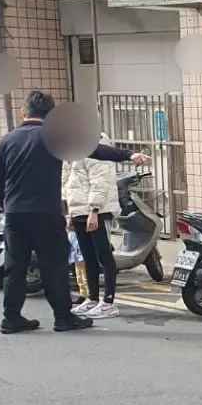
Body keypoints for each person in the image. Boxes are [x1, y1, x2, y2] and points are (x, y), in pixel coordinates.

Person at [0, 91, 150, 334]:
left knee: (15, 268)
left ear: (23, 113)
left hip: (15, 215)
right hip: (45, 214)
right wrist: (129, 155)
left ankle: (11, 318)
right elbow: (96, 150)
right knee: (53, 267)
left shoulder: (6, 141)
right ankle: (63, 318)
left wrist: (5, 206)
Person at [64, 131, 122, 319]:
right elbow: (70, 182)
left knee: (103, 255)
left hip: (97, 211)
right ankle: (93, 298)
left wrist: (94, 210)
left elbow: (100, 181)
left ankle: (109, 302)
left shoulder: (97, 146)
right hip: (79, 211)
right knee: (88, 256)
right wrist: (70, 213)